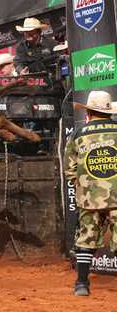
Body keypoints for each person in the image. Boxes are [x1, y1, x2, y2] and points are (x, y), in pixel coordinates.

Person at [64, 90, 117, 296]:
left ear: (89, 112)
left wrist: (82, 186)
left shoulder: (78, 134)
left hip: (88, 196)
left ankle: (81, 284)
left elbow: (69, 168)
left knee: (86, 238)